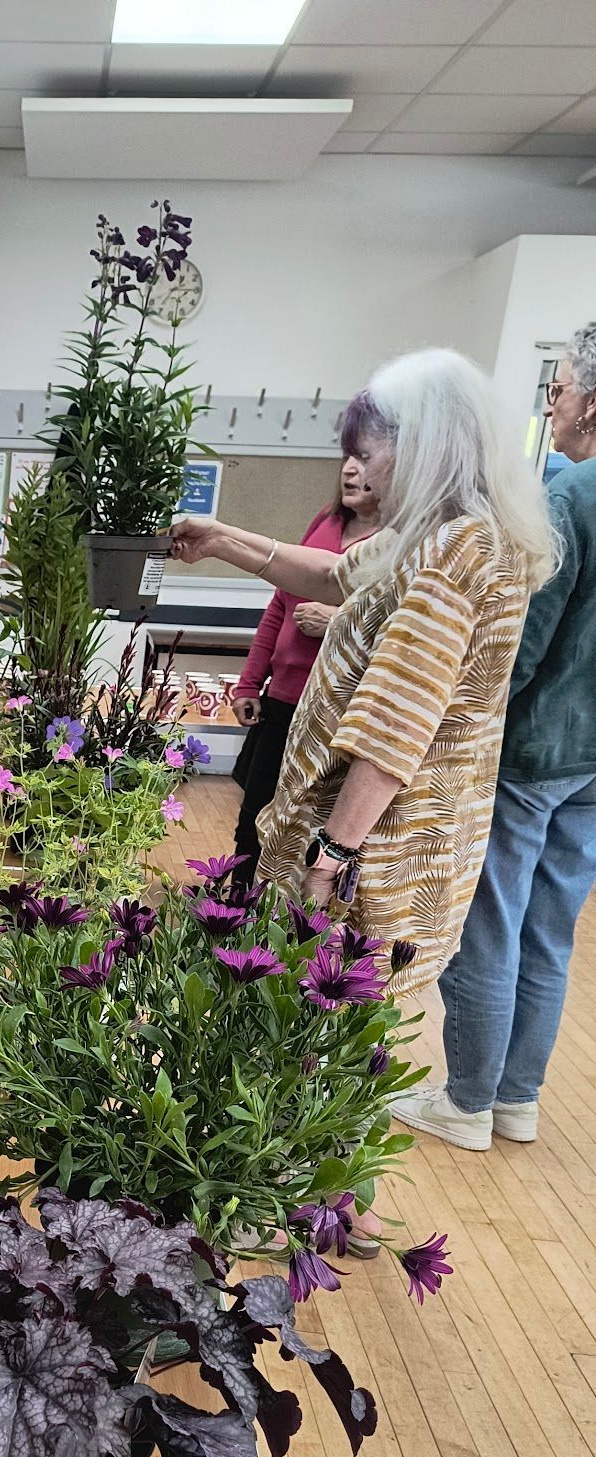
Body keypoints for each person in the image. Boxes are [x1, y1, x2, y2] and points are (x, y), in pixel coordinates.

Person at [170, 347, 557, 1003]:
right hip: (386, 834)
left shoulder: (456, 547)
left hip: (372, 846)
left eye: (373, 451)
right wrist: (220, 539)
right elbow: (330, 574)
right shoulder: (440, 530)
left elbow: (396, 721)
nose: (366, 470)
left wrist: (330, 860)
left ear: (421, 446)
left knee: (315, 1019)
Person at [394, 324, 596, 1151]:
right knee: (552, 927)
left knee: (490, 919)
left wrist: (457, 731)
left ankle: (468, 1101)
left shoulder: (571, 497)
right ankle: (517, 1099)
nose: (552, 407)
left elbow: (521, 639)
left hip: (532, 752)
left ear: (593, 403)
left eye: (560, 391)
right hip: (592, 763)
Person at [230, 455, 381, 872]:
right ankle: (233, 915)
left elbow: (397, 622)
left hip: (337, 712)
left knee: (305, 827)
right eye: (347, 457)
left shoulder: (400, 539)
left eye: (365, 458)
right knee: (253, 816)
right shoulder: (325, 523)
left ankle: (286, 924)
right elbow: (279, 604)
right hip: (281, 700)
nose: (350, 469)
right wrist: (249, 683)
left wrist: (336, 621)